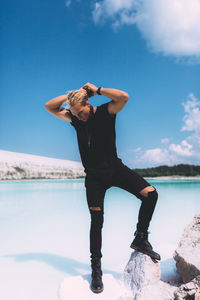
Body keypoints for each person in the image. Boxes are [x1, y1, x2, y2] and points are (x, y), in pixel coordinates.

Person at [45, 82, 161, 294]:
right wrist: (69, 96)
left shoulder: (107, 112)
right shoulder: (75, 119)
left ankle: (140, 237)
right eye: (75, 113)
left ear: (88, 103)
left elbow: (124, 96)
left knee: (151, 195)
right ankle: (96, 268)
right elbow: (49, 107)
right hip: (94, 178)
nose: (79, 117)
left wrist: (97, 90)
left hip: (115, 169)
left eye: (81, 112)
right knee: (96, 221)